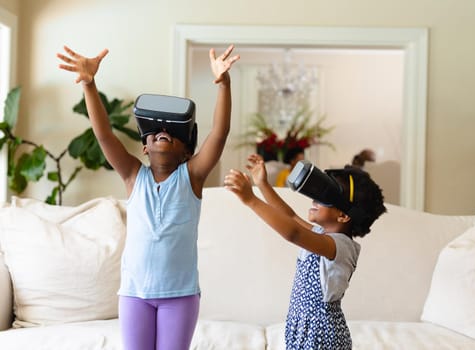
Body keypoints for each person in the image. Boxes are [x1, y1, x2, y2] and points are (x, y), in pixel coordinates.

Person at [57, 44, 240, 350]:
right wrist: (89, 84)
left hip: (179, 296)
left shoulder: (191, 177)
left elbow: (219, 134)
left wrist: (224, 84)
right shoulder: (133, 175)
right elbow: (104, 135)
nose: (161, 130)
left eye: (171, 131)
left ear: (186, 150)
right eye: (152, 133)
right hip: (134, 295)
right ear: (144, 148)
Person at [224, 154, 386, 349]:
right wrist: (263, 184)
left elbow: (293, 233)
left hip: (322, 336)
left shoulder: (340, 247)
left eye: (325, 198)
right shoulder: (321, 235)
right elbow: (290, 216)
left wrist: (251, 200)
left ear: (343, 215)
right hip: (304, 330)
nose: (315, 199)